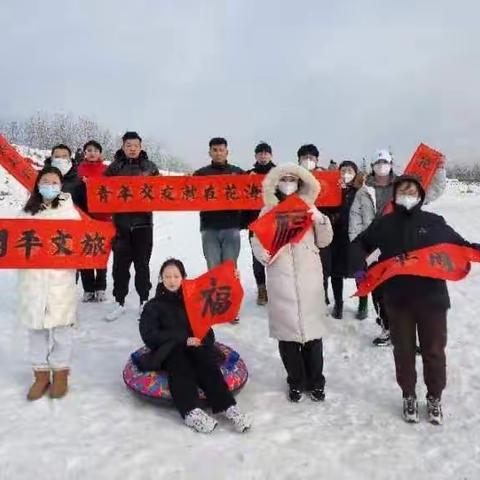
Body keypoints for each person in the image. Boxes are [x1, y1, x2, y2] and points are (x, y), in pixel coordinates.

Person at [350, 175, 478, 424]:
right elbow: (359, 245)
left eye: (412, 190)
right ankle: (408, 394)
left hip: (433, 300)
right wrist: (359, 268)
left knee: (433, 351)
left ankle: (434, 397)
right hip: (398, 301)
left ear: (420, 195)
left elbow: (460, 246)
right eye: (402, 189)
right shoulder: (384, 224)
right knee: (404, 351)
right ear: (395, 195)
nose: (407, 193)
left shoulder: (434, 222)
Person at [138, 258, 252, 433]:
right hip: (169, 349)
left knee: (205, 361)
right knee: (179, 364)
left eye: (176, 276)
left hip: (194, 344)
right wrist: (183, 338)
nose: (171, 280)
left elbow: (207, 320)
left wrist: (232, 279)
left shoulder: (193, 299)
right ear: (161, 278)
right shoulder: (153, 306)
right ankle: (190, 411)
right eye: (167, 276)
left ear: (183, 277)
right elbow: (150, 335)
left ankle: (228, 406)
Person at [251, 164, 333, 402]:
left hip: (309, 276)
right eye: (284, 179)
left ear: (300, 182)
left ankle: (316, 381)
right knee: (288, 336)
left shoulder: (308, 207)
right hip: (281, 274)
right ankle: (295, 381)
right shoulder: (268, 210)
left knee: (313, 335)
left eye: (292, 179)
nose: (288, 183)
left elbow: (325, 241)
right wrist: (262, 254)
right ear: (276, 183)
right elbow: (258, 240)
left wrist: (320, 219)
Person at [349, 148, 446, 346]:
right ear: (373, 167)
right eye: (378, 163)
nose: (381, 167)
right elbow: (355, 219)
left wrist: (441, 169)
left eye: (385, 162)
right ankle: (388, 328)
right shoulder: (363, 191)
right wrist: (359, 247)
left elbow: (433, 191)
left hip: (402, 244)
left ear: (391, 164)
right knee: (379, 291)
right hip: (374, 247)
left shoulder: (404, 186)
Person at [18, 166, 81, 400]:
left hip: (59, 279)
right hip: (32, 280)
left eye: (54, 182)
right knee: (36, 329)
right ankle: (40, 375)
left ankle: (61, 372)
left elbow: (79, 241)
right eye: (45, 181)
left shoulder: (69, 211)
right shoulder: (26, 211)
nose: (50, 186)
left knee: (62, 328)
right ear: (37, 184)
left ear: (61, 185)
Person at [104, 132, 160, 321]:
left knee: (142, 264)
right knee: (120, 265)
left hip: (144, 224)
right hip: (120, 224)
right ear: (123, 146)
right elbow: (101, 190)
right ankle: (119, 301)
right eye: (129, 145)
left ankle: (143, 301)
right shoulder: (114, 168)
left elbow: (161, 192)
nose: (132, 148)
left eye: (136, 145)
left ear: (141, 146)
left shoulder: (150, 167)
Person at [194, 138, 244, 322]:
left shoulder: (238, 173)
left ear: (227, 152)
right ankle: (216, 306)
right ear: (210, 152)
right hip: (209, 227)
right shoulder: (200, 174)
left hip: (231, 227)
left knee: (230, 268)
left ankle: (231, 308)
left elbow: (251, 191)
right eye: (214, 150)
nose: (218, 152)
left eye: (221, 149)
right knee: (213, 268)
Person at [329, 161, 367, 319]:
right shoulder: (332, 190)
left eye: (349, 170)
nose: (346, 173)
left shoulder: (361, 192)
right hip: (335, 237)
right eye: (343, 170)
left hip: (356, 238)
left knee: (360, 272)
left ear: (355, 172)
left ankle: (363, 303)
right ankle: (338, 304)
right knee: (336, 272)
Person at [296, 144, 332, 305]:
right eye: (305, 158)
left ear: (317, 160)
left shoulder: (327, 178)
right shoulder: (293, 178)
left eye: (312, 158)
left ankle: (322, 295)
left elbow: (336, 201)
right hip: (299, 228)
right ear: (299, 160)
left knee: (322, 266)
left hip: (322, 226)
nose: (308, 160)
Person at [243, 142, 276, 306]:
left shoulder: (279, 173)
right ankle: (262, 289)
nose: (263, 156)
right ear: (255, 156)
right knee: (257, 258)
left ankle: (277, 290)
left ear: (271, 155)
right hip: (255, 224)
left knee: (277, 258)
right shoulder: (249, 174)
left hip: (277, 224)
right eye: (260, 153)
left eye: (266, 153)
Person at [77, 140, 110, 303]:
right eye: (89, 150)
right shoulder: (78, 169)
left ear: (100, 154)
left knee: (100, 253)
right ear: (84, 153)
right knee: (85, 253)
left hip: (103, 218)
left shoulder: (106, 170)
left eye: (95, 150)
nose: (92, 153)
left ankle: (100, 288)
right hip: (83, 217)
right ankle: (88, 288)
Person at [44, 144, 87, 211]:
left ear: (70, 159)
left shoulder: (79, 183)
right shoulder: (40, 179)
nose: (60, 160)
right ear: (51, 159)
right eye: (57, 157)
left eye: (64, 157)